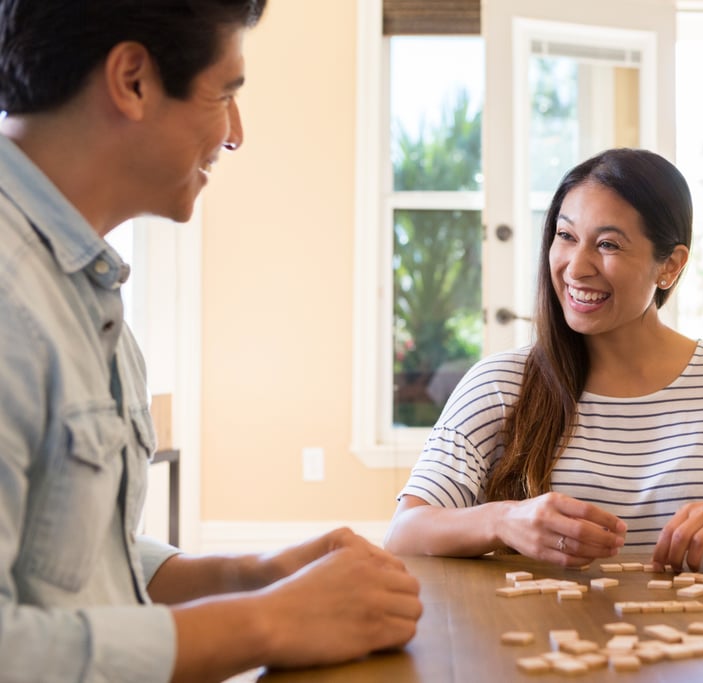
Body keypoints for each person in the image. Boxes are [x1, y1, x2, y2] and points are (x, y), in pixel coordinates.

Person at [0, 2, 421, 682]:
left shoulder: (79, 286)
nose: (236, 134)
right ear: (133, 80)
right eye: (225, 94)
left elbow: (67, 565)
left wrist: (252, 574)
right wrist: (272, 621)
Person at [384, 148, 703, 572]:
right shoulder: (500, 383)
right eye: (566, 236)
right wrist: (504, 521)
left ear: (670, 265)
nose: (576, 266)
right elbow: (405, 533)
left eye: (608, 244)